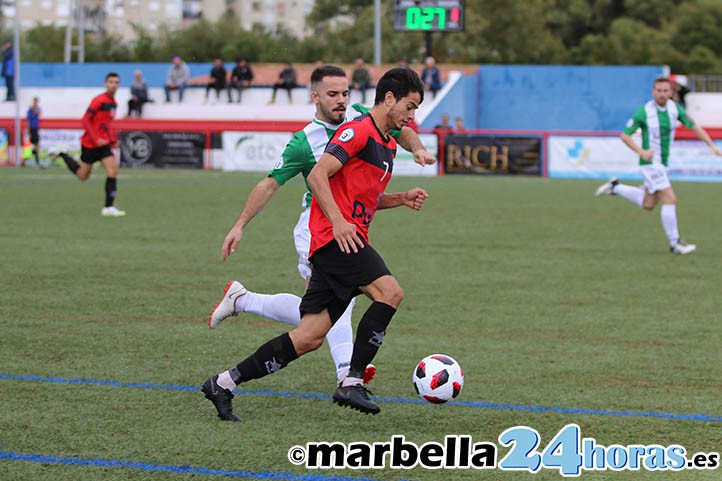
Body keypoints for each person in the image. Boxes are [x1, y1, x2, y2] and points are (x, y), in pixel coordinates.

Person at [202, 67, 431, 421]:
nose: (412, 116)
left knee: (309, 336)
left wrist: (401, 195)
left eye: (344, 93)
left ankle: (223, 382)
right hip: (334, 238)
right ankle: (351, 379)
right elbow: (316, 175)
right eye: (410, 107)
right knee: (390, 293)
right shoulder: (355, 130)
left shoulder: (381, 138)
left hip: (344, 238)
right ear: (389, 99)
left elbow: (363, 198)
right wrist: (338, 223)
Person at [595, 76, 722, 254]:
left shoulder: (674, 109)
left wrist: (712, 145)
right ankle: (675, 243)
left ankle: (615, 187)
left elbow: (694, 127)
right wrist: (642, 152)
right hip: (650, 163)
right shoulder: (644, 112)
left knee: (649, 204)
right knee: (670, 198)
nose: (662, 94)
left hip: (662, 163)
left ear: (671, 92)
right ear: (653, 92)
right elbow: (625, 136)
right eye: (659, 91)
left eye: (665, 91)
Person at [54, 73, 126, 217]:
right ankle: (62, 154)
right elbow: (85, 120)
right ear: (106, 84)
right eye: (111, 82)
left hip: (103, 145)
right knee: (82, 175)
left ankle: (108, 207)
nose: (113, 84)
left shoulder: (114, 104)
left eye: (116, 82)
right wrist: (95, 139)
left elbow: (106, 125)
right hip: (90, 144)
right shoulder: (98, 100)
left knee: (112, 171)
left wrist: (112, 141)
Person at [25, 97, 41, 167]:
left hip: (36, 128)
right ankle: (26, 160)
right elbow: (28, 121)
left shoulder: (37, 108)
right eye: (35, 101)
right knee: (32, 145)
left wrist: (34, 108)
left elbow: (39, 113)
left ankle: (26, 160)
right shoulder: (30, 110)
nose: (36, 102)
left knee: (36, 145)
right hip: (31, 129)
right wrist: (29, 132)